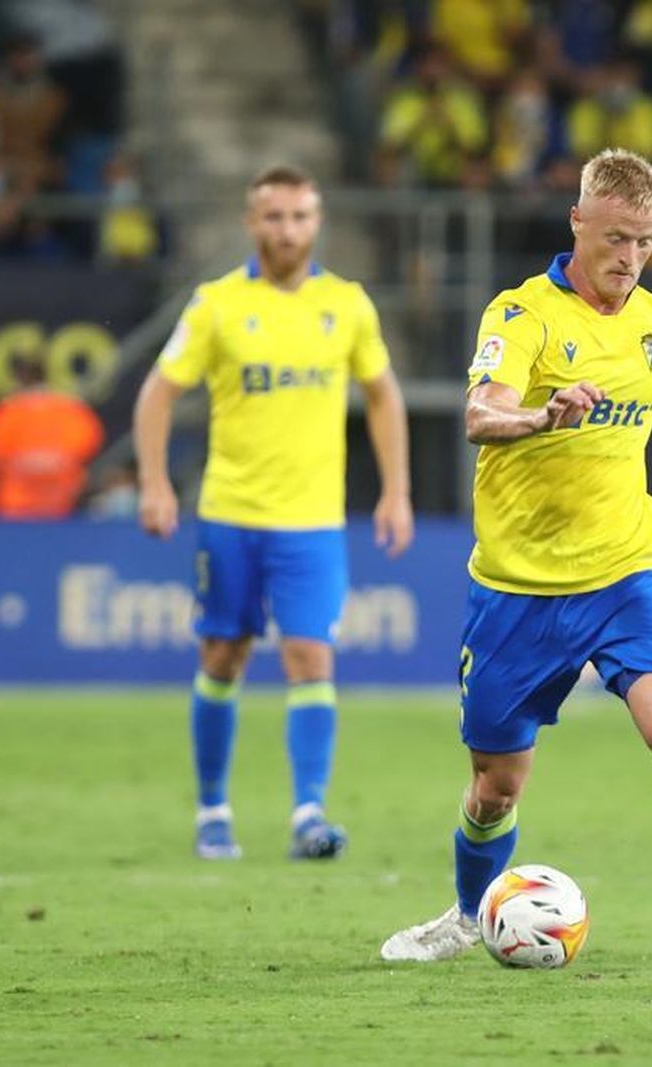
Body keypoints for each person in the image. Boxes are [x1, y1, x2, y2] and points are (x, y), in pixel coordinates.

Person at [380, 148, 652, 967]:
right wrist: (543, 417)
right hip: (517, 589)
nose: (630, 257)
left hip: (624, 573)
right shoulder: (523, 315)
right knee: (496, 786)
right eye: (616, 237)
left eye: (646, 241)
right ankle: (468, 914)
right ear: (577, 221)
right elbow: (480, 413)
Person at [133, 164, 413, 862]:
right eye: (274, 216)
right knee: (222, 655)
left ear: (316, 223)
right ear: (251, 223)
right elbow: (157, 394)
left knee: (311, 653)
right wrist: (156, 482)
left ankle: (309, 813)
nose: (287, 229)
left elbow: (383, 395)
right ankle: (212, 809)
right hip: (230, 512)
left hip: (313, 520)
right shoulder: (217, 305)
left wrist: (396, 488)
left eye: (299, 216)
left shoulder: (346, 304)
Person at [0, 357, 104, 520]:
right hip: (60, 501)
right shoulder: (72, 409)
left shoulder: (6, 412)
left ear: (18, 379)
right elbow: (89, 445)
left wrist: (31, 462)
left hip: (18, 505)